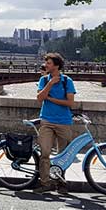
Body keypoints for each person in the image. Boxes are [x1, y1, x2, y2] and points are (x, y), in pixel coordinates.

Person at [34, 52, 76, 195]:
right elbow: (40, 98)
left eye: (49, 63)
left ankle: (60, 183)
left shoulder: (67, 81)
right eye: (46, 63)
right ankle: (45, 183)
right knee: (45, 153)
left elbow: (70, 103)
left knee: (63, 155)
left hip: (64, 122)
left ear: (57, 66)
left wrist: (50, 99)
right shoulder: (44, 80)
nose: (46, 65)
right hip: (46, 120)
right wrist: (50, 84)